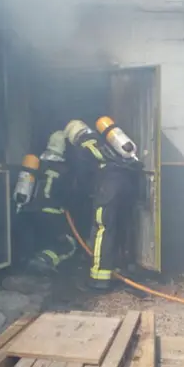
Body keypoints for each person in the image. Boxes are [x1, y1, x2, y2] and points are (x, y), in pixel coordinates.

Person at [64, 118, 142, 291]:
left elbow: (83, 178)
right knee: (122, 226)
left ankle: (99, 278)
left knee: (102, 228)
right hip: (127, 185)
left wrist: (79, 195)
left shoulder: (82, 148)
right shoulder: (105, 139)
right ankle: (124, 268)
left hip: (108, 188)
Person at [22, 131, 78, 274]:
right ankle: (44, 261)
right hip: (53, 215)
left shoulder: (39, 164)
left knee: (42, 241)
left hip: (33, 211)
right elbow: (67, 196)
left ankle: (32, 260)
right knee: (69, 245)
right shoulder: (65, 169)